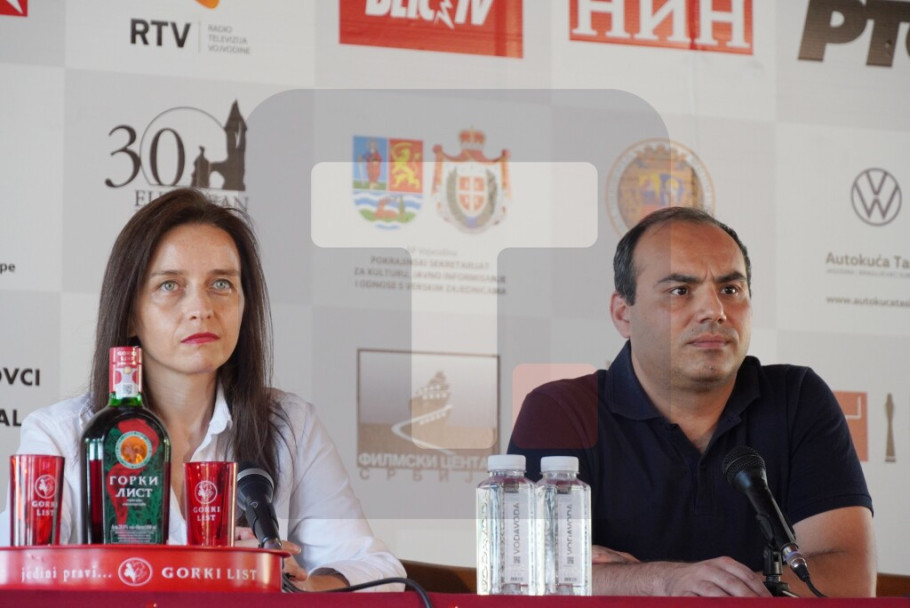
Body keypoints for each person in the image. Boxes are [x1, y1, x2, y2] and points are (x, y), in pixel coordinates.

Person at [0, 188, 405, 591]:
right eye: (170, 285)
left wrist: (296, 584)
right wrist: (209, 570)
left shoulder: (290, 424)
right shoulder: (60, 434)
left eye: (221, 284)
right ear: (129, 315)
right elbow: (20, 580)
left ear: (245, 305)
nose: (201, 309)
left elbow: (377, 570)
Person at [508, 206, 876, 597]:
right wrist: (663, 581)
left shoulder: (796, 399)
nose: (714, 311)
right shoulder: (561, 411)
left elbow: (850, 579)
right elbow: (523, 577)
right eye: (680, 291)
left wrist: (664, 586)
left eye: (730, 290)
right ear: (623, 314)